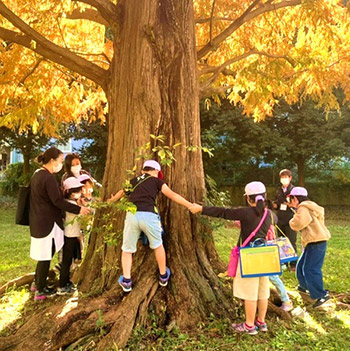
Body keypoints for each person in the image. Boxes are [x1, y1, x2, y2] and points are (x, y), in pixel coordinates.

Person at [190, 181, 273, 335]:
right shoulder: (269, 214)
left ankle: (249, 326)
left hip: (250, 257)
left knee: (250, 293)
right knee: (263, 292)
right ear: (265, 197)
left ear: (248, 198)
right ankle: (261, 322)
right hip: (264, 257)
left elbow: (223, 212)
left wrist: (201, 208)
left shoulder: (245, 212)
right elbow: (257, 226)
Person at [108, 160, 193, 292]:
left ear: (143, 171)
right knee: (158, 245)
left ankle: (126, 280)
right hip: (149, 216)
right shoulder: (157, 181)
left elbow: (121, 193)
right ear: (156, 172)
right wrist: (189, 205)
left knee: (127, 249)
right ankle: (163, 275)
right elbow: (172, 194)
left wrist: (111, 200)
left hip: (132, 215)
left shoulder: (133, 181)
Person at [29, 147, 90, 301]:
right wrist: (78, 209)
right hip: (47, 222)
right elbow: (57, 201)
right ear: (52, 161)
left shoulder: (37, 175)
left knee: (44, 254)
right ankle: (41, 290)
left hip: (38, 221)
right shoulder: (48, 178)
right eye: (61, 161)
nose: (62, 164)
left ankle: (38, 283)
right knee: (45, 256)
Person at [287, 187, 331, 308]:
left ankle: (321, 295)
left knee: (311, 269)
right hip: (315, 241)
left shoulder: (303, 208)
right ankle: (304, 288)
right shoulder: (311, 206)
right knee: (301, 266)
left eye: (291, 199)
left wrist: (292, 219)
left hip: (315, 241)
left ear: (295, 198)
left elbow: (298, 224)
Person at [58, 177, 86, 295]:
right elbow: (81, 212)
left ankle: (67, 281)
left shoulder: (73, 203)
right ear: (69, 192)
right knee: (66, 261)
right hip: (69, 235)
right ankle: (62, 285)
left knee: (71, 259)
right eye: (76, 190)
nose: (79, 193)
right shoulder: (69, 205)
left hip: (73, 235)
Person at [273, 169, 297, 270]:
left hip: (291, 219)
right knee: (281, 241)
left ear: (290, 178)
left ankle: (293, 264)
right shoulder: (279, 190)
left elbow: (296, 205)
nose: (284, 179)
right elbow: (277, 204)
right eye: (282, 177)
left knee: (291, 241)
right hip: (280, 218)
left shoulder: (294, 190)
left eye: (286, 177)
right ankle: (283, 262)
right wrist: (274, 205)